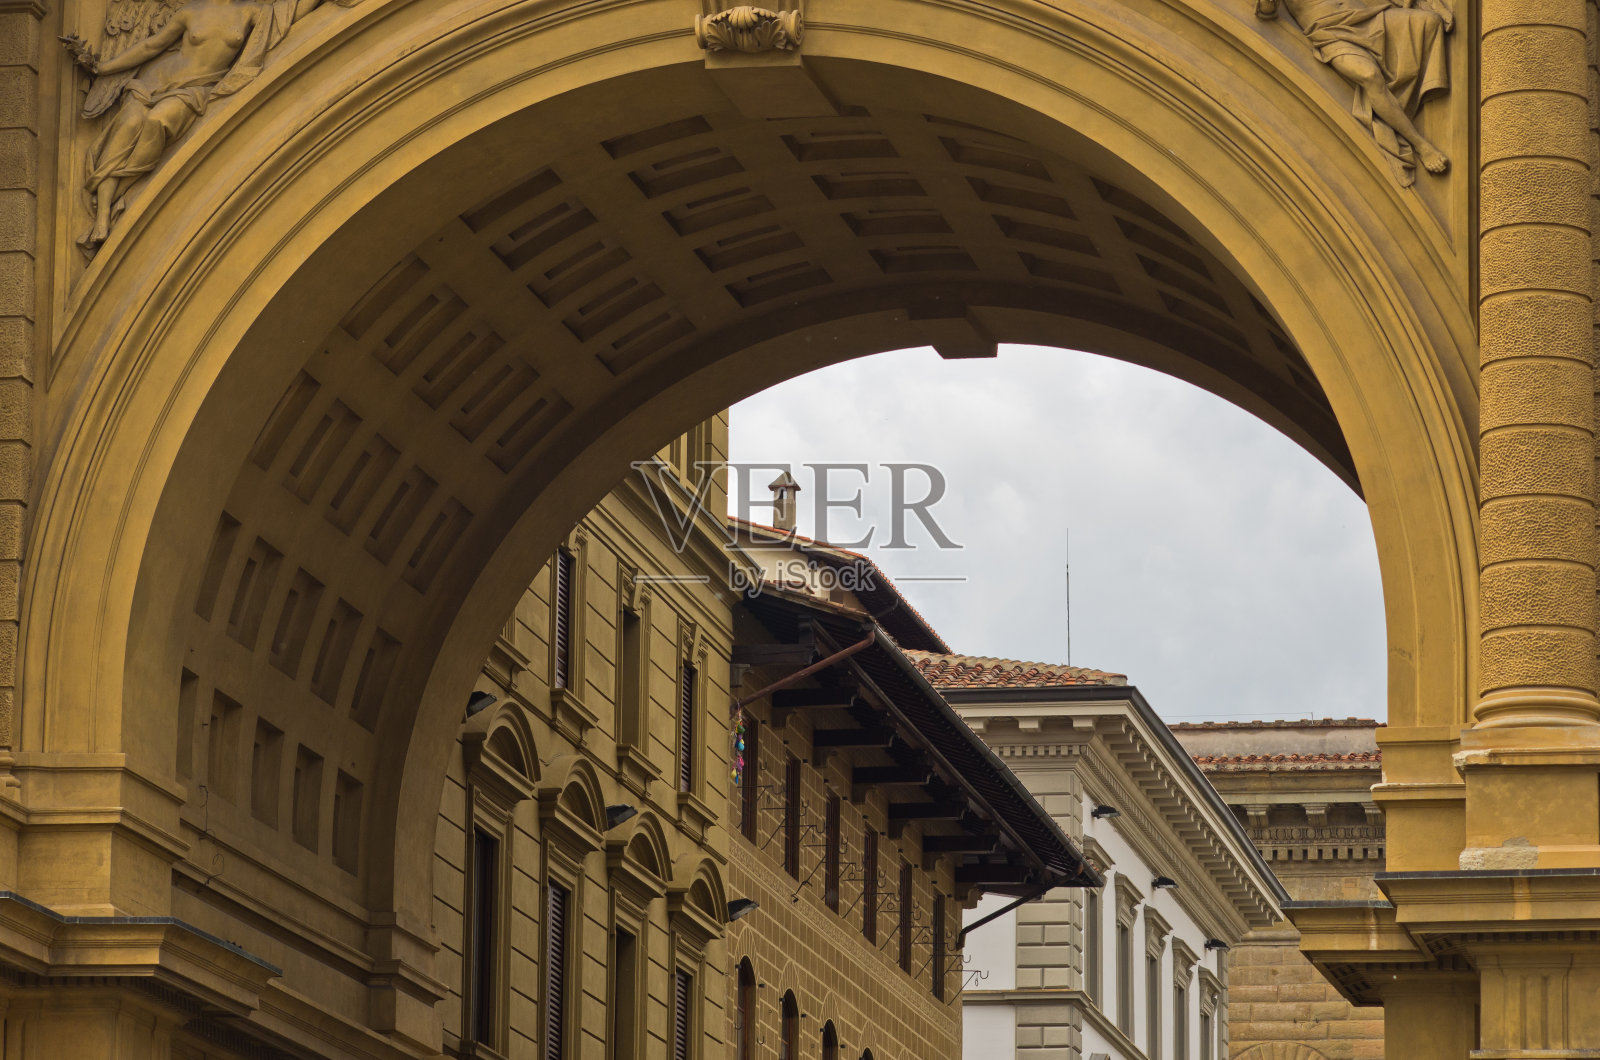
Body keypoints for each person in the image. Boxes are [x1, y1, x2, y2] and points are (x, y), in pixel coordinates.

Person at [62, 0, 323, 250]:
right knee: (128, 125)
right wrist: (102, 67)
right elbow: (152, 46)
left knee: (158, 121)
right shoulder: (190, 11)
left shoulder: (252, 12)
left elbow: (290, 14)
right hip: (157, 79)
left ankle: (119, 190)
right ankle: (103, 215)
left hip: (194, 89)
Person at [1256, 0, 1451, 181]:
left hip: (1365, 16)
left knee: (1429, 22)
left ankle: (1397, 108)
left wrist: (1434, 5)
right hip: (1328, 31)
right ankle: (1421, 146)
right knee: (1369, 76)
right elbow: (1266, 10)